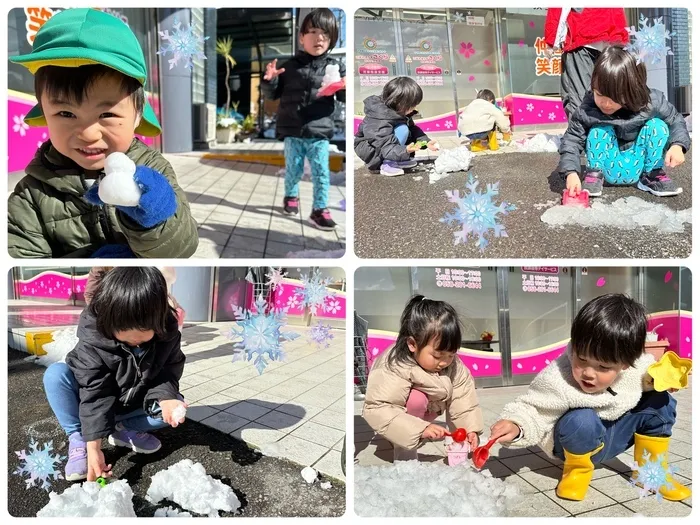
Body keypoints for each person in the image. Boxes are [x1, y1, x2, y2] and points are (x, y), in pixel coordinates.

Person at [8, 8, 198, 258]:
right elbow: (20, 253)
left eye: (106, 115)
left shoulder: (153, 168)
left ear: (138, 115)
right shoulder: (31, 194)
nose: (87, 134)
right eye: (66, 114)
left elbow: (183, 247)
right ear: (44, 112)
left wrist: (156, 215)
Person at [489, 294, 690, 502]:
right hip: (573, 442)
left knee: (661, 401)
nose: (588, 373)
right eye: (582, 359)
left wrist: (665, 379)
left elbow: (652, 373)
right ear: (574, 347)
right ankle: (576, 472)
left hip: (611, 437)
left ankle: (650, 472)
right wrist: (516, 425)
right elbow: (532, 407)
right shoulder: (558, 376)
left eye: (603, 367)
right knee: (581, 418)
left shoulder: (636, 367)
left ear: (626, 364)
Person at [43, 267, 187, 482]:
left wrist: (166, 397)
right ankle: (78, 437)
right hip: (95, 399)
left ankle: (121, 429)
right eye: (127, 339)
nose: (135, 343)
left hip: (129, 403)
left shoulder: (167, 334)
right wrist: (94, 446)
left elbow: (167, 371)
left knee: (174, 408)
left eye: (141, 339)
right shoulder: (93, 340)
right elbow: (96, 392)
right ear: (109, 322)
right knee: (55, 375)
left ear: (157, 322)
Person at [363, 295, 483, 461]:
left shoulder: (454, 365)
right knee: (415, 399)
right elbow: (379, 407)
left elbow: (464, 402)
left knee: (458, 397)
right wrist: (419, 429)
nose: (444, 362)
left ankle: (453, 447)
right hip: (401, 412)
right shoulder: (395, 364)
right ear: (412, 344)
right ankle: (405, 453)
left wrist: (470, 429)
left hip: (430, 408)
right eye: (437, 355)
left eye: (451, 354)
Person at [559, 46, 690, 198]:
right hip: (606, 166)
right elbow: (572, 139)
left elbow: (675, 120)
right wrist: (571, 172)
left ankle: (652, 175)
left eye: (615, 98)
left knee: (658, 126)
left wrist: (677, 145)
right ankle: (594, 176)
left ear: (632, 90)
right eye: (599, 94)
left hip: (640, 164)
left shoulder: (651, 101)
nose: (606, 104)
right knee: (598, 131)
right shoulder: (588, 108)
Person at [261, 8, 345, 231]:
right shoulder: (289, 66)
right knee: (294, 169)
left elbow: (343, 97)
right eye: (314, 31)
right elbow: (273, 95)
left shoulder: (335, 67)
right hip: (292, 129)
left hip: (319, 130)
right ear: (301, 37)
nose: (319, 38)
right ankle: (290, 195)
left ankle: (319, 210)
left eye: (325, 34)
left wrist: (344, 87)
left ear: (332, 38)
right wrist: (269, 81)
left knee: (321, 172)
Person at [545, 8, 629, 119]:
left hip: (581, 34)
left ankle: (582, 134)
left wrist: (551, 40)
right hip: (609, 37)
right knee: (610, 96)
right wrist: (620, 37)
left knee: (579, 100)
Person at [355, 77, 439, 176]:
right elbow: (382, 142)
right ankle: (388, 163)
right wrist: (404, 150)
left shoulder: (399, 111)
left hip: (385, 148)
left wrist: (426, 142)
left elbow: (413, 129)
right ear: (399, 102)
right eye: (412, 105)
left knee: (406, 128)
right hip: (372, 150)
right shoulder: (379, 117)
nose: (414, 108)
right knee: (402, 129)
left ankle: (398, 159)